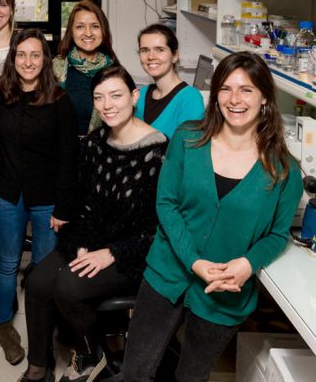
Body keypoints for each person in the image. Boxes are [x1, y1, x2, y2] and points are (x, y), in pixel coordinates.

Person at [122, 52, 303, 382]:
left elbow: (278, 235)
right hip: (166, 275)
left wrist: (246, 265)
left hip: (225, 291)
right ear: (215, 94)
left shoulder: (284, 171)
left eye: (246, 90)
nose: (235, 99)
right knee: (136, 372)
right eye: (226, 88)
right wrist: (194, 262)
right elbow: (166, 204)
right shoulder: (188, 139)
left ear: (264, 98)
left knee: (191, 376)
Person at [20, 66, 168, 382]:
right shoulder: (94, 142)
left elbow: (158, 230)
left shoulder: (159, 151)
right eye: (99, 98)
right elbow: (83, 203)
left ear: (134, 96)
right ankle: (38, 366)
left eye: (116, 95)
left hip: (133, 254)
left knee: (69, 287)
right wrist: (83, 241)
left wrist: (111, 253)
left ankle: (90, 354)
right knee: (36, 283)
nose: (107, 105)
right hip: (91, 239)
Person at [0, 29, 78, 365]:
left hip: (47, 199)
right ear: (13, 58)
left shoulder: (60, 101)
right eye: (21, 55)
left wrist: (64, 206)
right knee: (8, 263)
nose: (28, 62)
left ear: (46, 60)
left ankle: (44, 328)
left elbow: (70, 157)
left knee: (43, 268)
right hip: (8, 194)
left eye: (35, 55)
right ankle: (4, 324)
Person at [54, 0, 119, 136]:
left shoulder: (115, 72)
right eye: (80, 27)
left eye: (95, 26)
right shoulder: (55, 68)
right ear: (71, 31)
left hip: (100, 152)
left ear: (103, 30)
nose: (88, 33)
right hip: (59, 151)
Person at [135, 23, 204, 138]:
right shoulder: (141, 95)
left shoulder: (190, 98)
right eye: (145, 50)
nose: (151, 56)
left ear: (175, 56)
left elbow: (191, 150)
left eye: (159, 50)